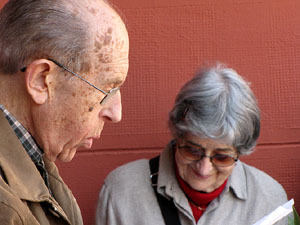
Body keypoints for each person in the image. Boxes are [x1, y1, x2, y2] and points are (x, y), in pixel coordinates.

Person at [96, 64, 288, 225]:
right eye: (193, 151)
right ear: (177, 135)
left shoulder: (269, 198)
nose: (204, 169)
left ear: (240, 151)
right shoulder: (121, 191)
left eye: (222, 157)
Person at [0, 0, 129, 224]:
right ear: (42, 80)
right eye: (107, 90)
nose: (116, 113)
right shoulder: (6, 209)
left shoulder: (37, 157)